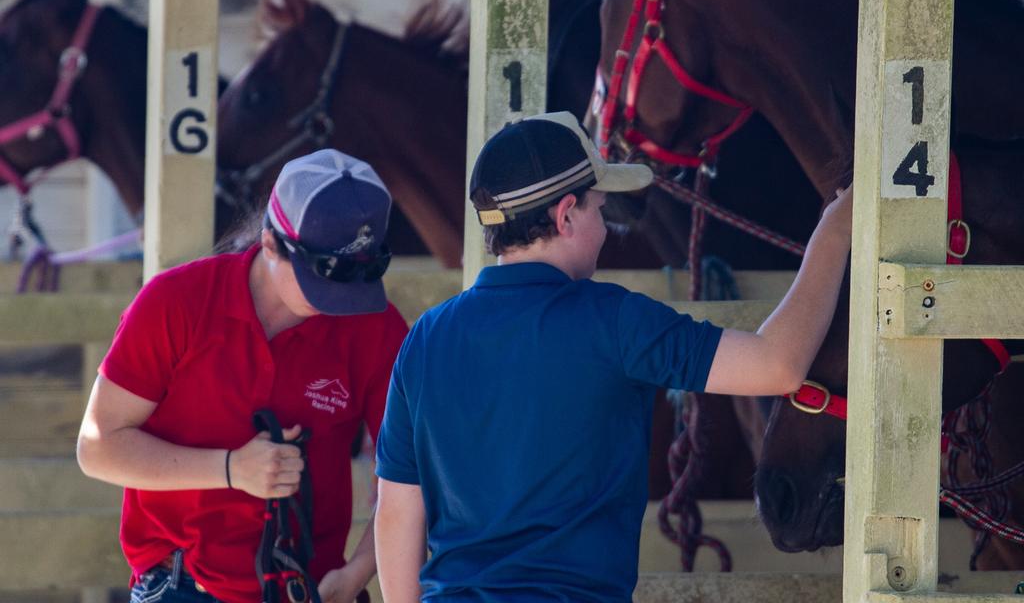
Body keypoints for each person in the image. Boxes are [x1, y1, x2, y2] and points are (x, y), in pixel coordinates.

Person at [373, 111, 853, 602]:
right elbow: (779, 365)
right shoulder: (615, 321)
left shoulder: (425, 338)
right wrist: (834, 233)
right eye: (599, 211)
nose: (604, 229)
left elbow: (395, 512)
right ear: (565, 216)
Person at [77, 149, 409, 603]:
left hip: (309, 589)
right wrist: (232, 469)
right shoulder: (174, 303)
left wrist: (357, 573)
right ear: (270, 242)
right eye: (323, 275)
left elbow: (411, 472)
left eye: (360, 276)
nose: (338, 298)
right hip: (180, 586)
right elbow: (97, 447)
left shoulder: (376, 326)